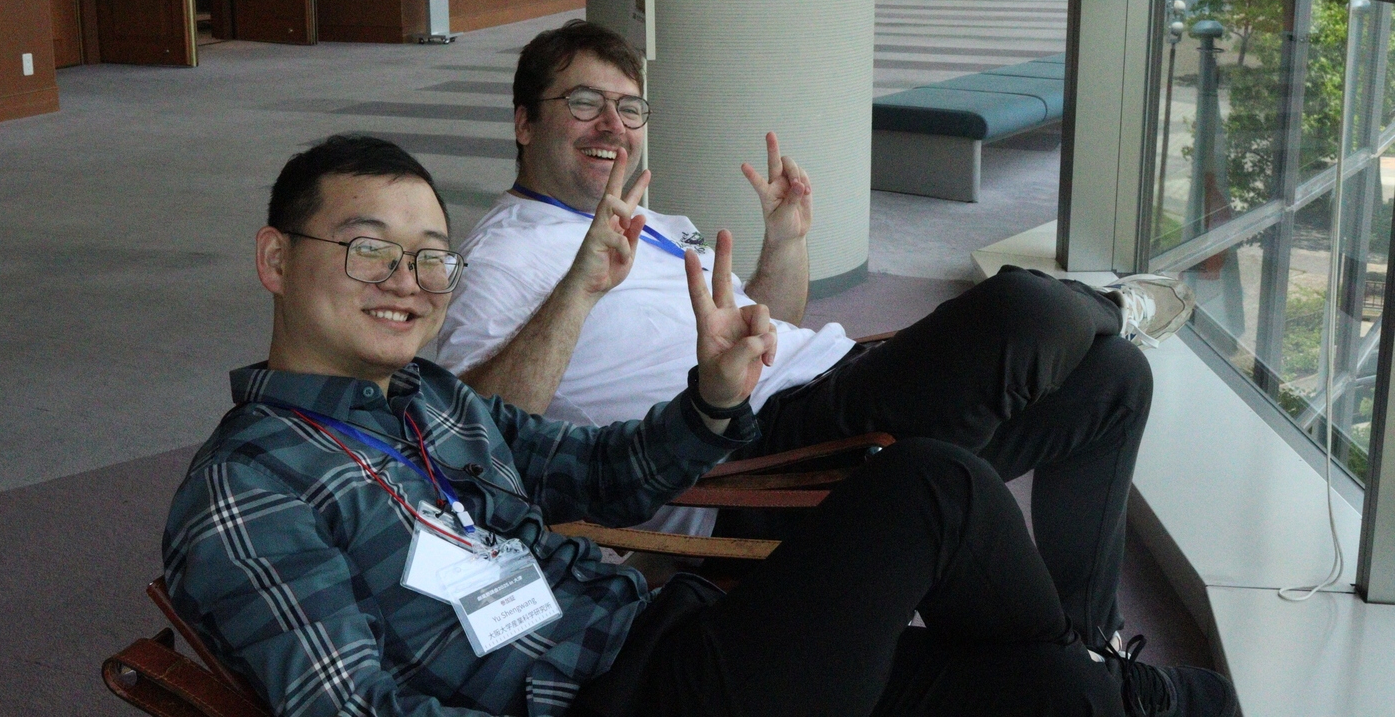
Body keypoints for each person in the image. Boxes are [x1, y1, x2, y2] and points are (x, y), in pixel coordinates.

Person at [163, 133, 1237, 717]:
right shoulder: (249, 490)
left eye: (427, 255)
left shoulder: (430, 403)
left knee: (1066, 692)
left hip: (667, 638)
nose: (407, 279)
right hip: (619, 700)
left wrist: (712, 397)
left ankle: (1113, 685)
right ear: (276, 260)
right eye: (366, 248)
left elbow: (606, 474)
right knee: (935, 486)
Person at [435, 19, 1197, 652]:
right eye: (584, 103)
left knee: (1114, 381)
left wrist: (786, 241)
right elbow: (465, 437)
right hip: (755, 459)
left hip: (827, 393)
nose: (613, 126)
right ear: (524, 121)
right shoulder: (503, 255)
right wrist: (578, 287)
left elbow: (764, 330)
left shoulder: (653, 222)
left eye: (630, 108)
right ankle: (1115, 305)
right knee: (1023, 311)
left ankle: (1086, 639)